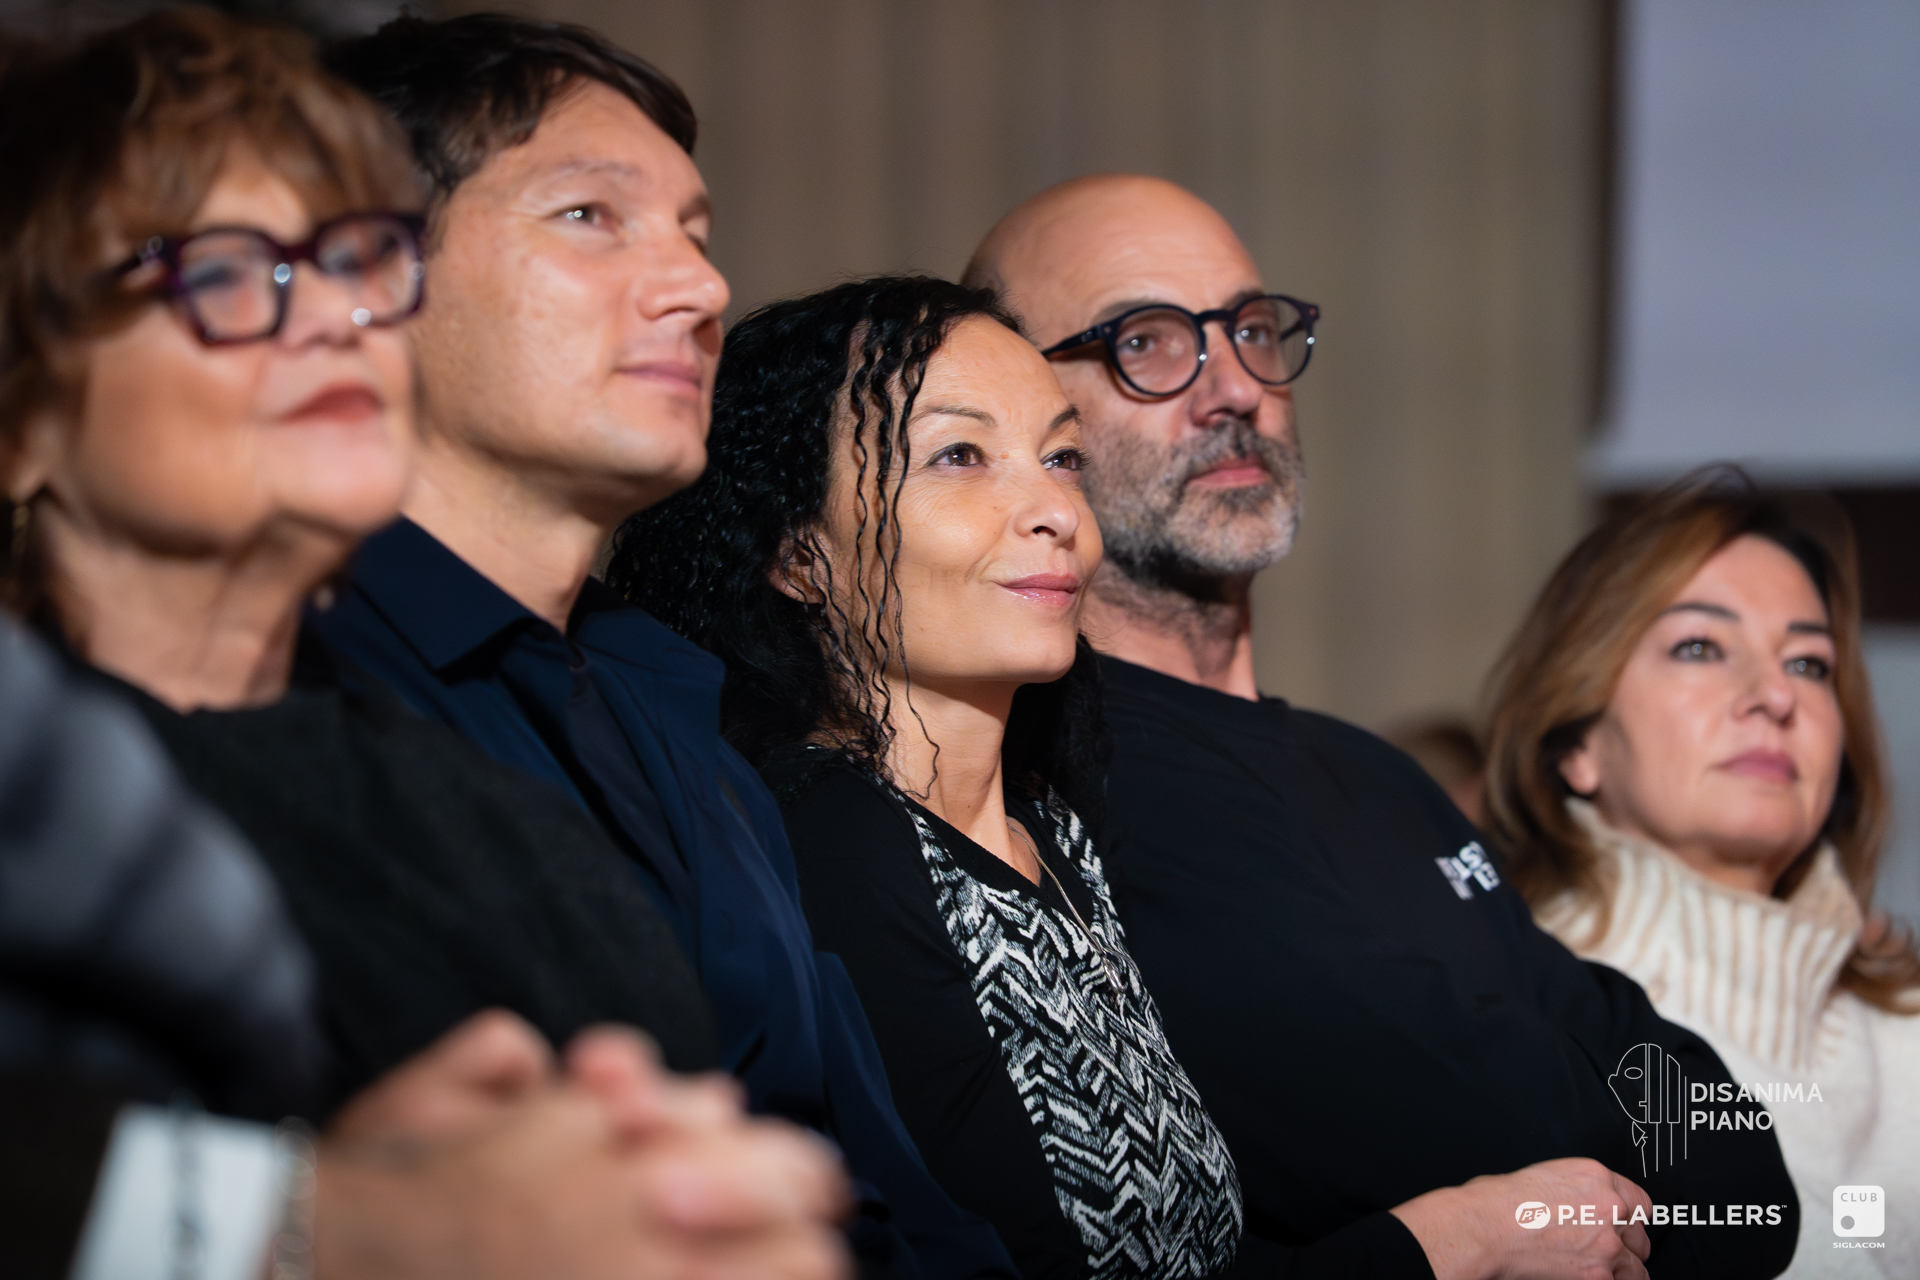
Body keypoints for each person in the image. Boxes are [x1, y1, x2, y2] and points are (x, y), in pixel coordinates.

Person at [0, 13, 849, 1280]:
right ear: (23, 413)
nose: (335, 318)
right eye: (227, 271)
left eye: (354, 263)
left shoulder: (490, 802)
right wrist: (337, 1220)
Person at [964, 174, 1798, 1278]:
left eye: (1252, 330)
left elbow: (1748, 1188)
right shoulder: (1045, 781)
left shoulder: (1379, 777)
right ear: (1023, 413)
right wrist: (1538, 1181)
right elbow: (1455, 1131)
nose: (1235, 388)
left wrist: (1581, 1177)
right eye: (1148, 343)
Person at [313, 14, 1014, 1278]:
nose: (700, 286)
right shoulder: (281, 686)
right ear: (368, 274)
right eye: (591, 215)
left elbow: (879, 1189)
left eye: (695, 231)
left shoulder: (688, 726)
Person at [611, 275, 1245, 1280]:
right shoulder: (826, 844)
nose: (1055, 510)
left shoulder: (1057, 834)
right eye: (960, 455)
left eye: (1063, 458)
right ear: (799, 555)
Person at [1483, 473, 1920, 1277]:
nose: (1774, 695)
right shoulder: (1515, 1036)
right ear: (1578, 743)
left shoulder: (1906, 1020)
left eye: (1809, 663)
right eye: (1700, 647)